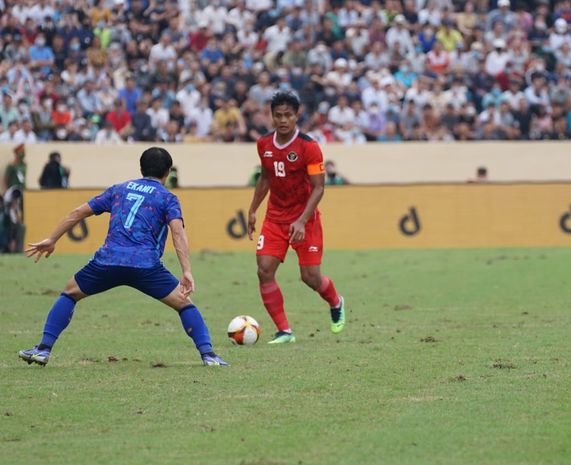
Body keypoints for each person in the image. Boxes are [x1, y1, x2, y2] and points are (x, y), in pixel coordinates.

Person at [19, 147, 228, 366]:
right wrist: (186, 270)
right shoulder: (167, 198)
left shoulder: (119, 190)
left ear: (141, 168)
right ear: (167, 172)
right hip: (145, 266)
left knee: (70, 293)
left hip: (107, 262)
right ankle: (209, 355)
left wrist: (52, 239)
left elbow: (78, 213)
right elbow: (177, 232)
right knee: (185, 304)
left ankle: (43, 349)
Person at [247, 91, 346, 344]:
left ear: (296, 115)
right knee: (264, 270)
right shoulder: (264, 145)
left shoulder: (309, 147)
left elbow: (319, 187)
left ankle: (335, 301)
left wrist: (302, 220)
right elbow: (266, 178)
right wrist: (253, 209)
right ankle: (284, 331)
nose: (282, 120)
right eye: (278, 115)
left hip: (305, 219)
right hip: (275, 219)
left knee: (310, 277)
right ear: (271, 116)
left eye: (288, 115)